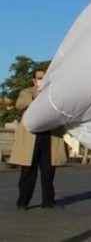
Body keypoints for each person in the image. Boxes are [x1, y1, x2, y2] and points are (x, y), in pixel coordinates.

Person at [9, 69, 68, 210]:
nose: (42, 80)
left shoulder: (54, 92)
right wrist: (34, 96)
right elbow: (19, 105)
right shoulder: (26, 92)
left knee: (48, 172)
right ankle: (22, 202)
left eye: (44, 77)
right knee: (28, 172)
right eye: (39, 78)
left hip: (49, 136)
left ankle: (48, 201)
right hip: (31, 138)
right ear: (34, 80)